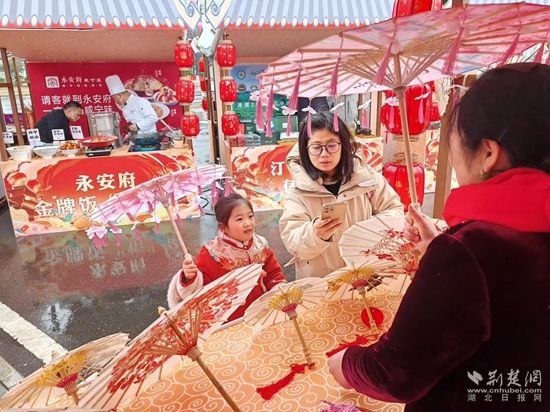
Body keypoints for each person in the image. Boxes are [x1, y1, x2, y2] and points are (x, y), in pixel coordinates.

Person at [328, 63, 550, 412]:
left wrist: (346, 363)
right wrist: (439, 247)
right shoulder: (498, 239)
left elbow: (395, 373)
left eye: (454, 141)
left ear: (488, 154)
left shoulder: (469, 250)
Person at [279, 112, 403, 279]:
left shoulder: (368, 179)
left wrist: (369, 231)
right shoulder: (297, 192)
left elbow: (394, 211)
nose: (324, 154)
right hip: (322, 282)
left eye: (331, 145)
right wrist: (315, 234)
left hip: (367, 275)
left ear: (343, 145)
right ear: (305, 150)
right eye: (316, 147)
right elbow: (293, 243)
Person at [167, 193, 286, 320]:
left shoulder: (260, 244)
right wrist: (189, 277)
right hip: (230, 320)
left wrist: (279, 293)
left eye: (250, 216)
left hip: (262, 312)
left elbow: (273, 275)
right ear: (223, 227)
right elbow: (202, 293)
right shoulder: (212, 253)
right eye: (239, 219)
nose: (248, 223)